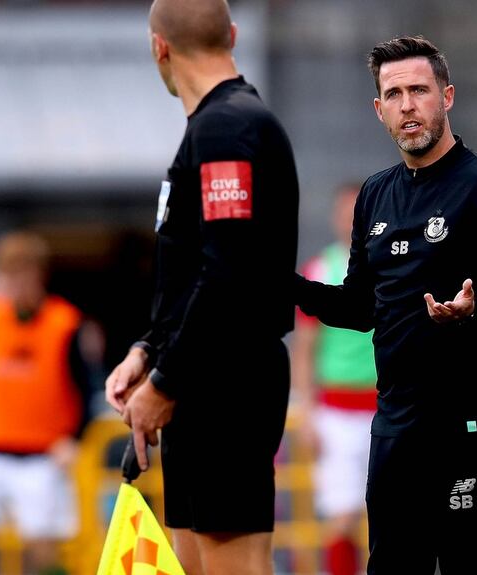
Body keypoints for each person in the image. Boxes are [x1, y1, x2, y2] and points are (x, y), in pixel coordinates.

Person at [294, 36, 477, 574]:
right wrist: (289, 286)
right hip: (397, 423)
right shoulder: (375, 195)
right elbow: (361, 308)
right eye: (395, 93)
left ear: (447, 97)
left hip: (473, 421)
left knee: (465, 565)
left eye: (419, 90)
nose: (408, 104)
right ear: (378, 108)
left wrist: (474, 311)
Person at [104, 1, 299, 573]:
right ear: (232, 35)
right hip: (202, 381)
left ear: (158, 47)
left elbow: (229, 272)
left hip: (227, 383)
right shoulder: (214, 127)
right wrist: (148, 352)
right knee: (191, 563)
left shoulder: (228, 127)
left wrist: (163, 380)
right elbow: (197, 271)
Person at [0, 231, 94, 575]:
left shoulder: (64, 323)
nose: (17, 282)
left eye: (24, 272)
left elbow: (84, 389)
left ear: (39, 274)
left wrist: (73, 439)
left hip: (42, 457)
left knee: (43, 551)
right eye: (10, 274)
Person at [290, 182, 375, 575]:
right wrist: (307, 410)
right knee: (341, 516)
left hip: (390, 405)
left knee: (395, 516)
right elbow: (305, 347)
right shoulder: (320, 270)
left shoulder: (394, 265)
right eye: (345, 213)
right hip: (338, 411)